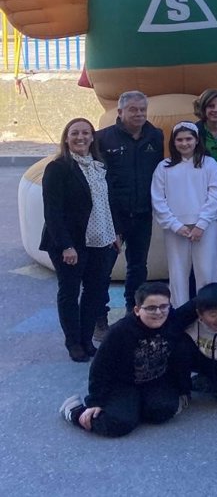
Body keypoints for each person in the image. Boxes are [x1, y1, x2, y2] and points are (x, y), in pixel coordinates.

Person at [59, 283, 191, 438]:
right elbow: (100, 367)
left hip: (154, 381)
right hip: (123, 385)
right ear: (137, 310)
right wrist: (95, 402)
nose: (158, 312)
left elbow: (197, 306)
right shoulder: (120, 331)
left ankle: (136, 408)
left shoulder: (172, 321)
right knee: (119, 423)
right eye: (151, 308)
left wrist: (183, 388)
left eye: (163, 307)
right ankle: (74, 411)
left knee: (163, 410)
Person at [42, 117, 122, 361]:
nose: (81, 137)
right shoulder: (58, 168)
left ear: (92, 137)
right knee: (69, 292)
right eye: (75, 133)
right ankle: (73, 342)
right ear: (66, 138)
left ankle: (87, 339)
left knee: (95, 292)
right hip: (71, 243)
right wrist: (66, 245)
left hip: (101, 240)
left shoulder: (99, 165)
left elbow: (107, 203)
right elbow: (52, 211)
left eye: (86, 133)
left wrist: (115, 232)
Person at [96, 90, 163, 325]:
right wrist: (111, 224)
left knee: (138, 267)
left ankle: (133, 312)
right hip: (112, 216)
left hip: (142, 214)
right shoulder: (103, 138)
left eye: (142, 109)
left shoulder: (155, 136)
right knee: (102, 269)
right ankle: (99, 317)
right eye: (133, 109)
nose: (139, 114)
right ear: (120, 111)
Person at [151, 121, 217, 307]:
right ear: (173, 142)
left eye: (189, 139)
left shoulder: (210, 164)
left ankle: (209, 313)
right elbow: (158, 200)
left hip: (205, 228)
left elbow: (215, 195)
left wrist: (201, 224)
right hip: (176, 229)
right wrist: (176, 225)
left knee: (207, 272)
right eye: (180, 140)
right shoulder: (164, 167)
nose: (184, 143)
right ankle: (180, 314)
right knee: (178, 274)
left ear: (197, 140)